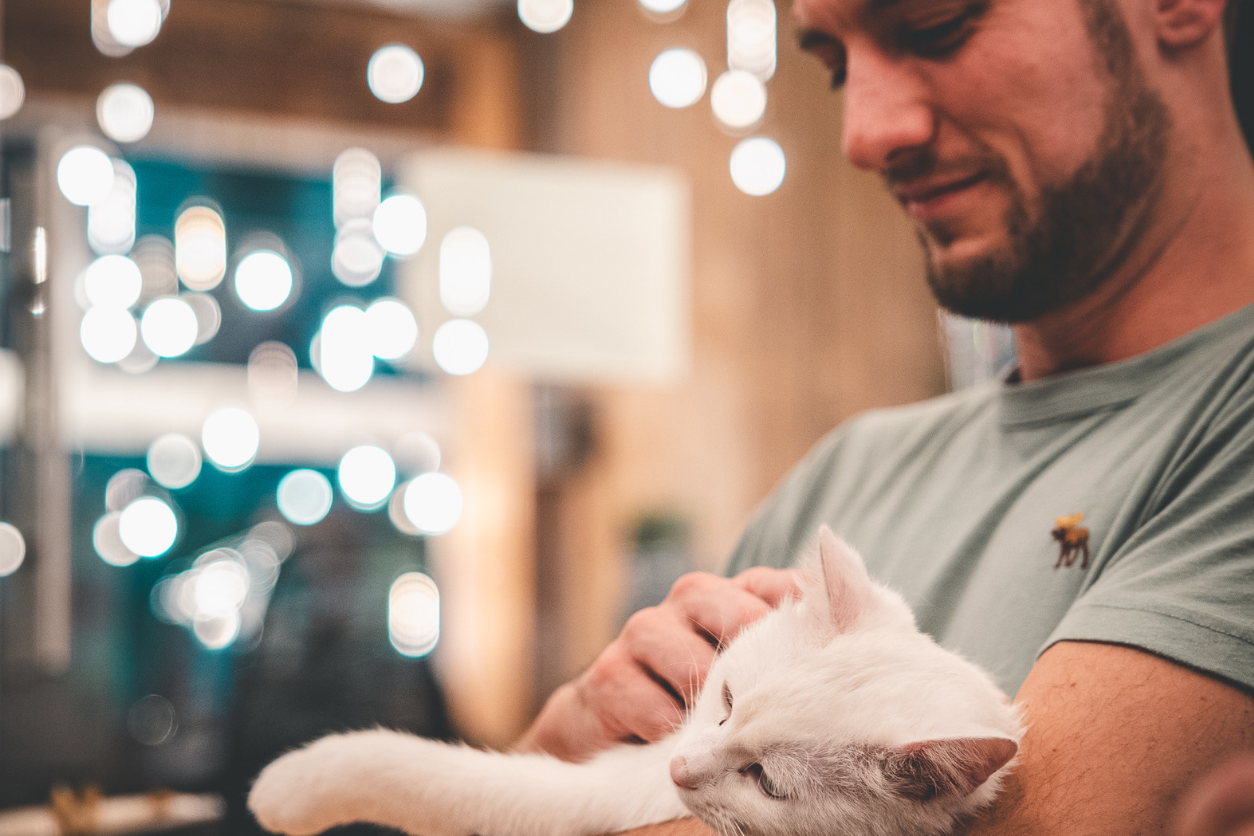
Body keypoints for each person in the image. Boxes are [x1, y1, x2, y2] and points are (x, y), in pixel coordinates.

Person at [516, 0, 1254, 833]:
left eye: (939, 27)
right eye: (835, 66)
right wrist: (548, 761)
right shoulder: (845, 473)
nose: (863, 135)